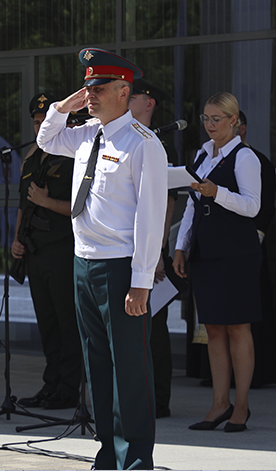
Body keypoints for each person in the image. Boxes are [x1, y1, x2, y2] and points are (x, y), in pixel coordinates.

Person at [38, 48, 167, 470]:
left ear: (123, 91)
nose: (89, 95)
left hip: (119, 266)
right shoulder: (88, 133)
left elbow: (150, 217)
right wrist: (62, 107)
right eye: (88, 87)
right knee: (97, 365)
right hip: (84, 262)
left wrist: (142, 280)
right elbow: (46, 139)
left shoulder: (143, 144)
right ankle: (108, 454)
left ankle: (136, 460)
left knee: (129, 367)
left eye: (98, 88)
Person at [173, 92, 261, 434]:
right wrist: (181, 246)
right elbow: (192, 204)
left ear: (234, 121)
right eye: (206, 119)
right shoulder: (201, 154)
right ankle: (219, 403)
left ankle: (241, 406)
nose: (210, 125)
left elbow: (252, 207)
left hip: (236, 254)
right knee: (213, 330)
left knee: (238, 328)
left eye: (217, 119)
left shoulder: (245, 156)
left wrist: (217, 193)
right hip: (206, 252)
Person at [11, 93, 82, 411]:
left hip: (62, 247)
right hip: (35, 249)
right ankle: (51, 383)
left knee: (67, 323)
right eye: (37, 122)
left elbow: (83, 208)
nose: (40, 127)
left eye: (45, 121)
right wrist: (16, 241)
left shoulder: (73, 155)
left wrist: (46, 202)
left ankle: (70, 388)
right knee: (47, 323)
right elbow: (23, 205)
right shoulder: (31, 158)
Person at [128, 78, 179, 419]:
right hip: (120, 248)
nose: (126, 100)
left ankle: (158, 399)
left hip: (149, 251)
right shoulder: (121, 139)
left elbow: (166, 206)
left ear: (149, 102)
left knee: (153, 329)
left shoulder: (157, 145)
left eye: (132, 95)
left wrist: (157, 251)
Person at [238, 111, 276, 387]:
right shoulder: (209, 157)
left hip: (250, 243)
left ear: (240, 127)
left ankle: (258, 374)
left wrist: (257, 236)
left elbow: (264, 205)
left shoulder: (257, 160)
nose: (211, 126)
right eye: (208, 119)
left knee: (251, 313)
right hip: (221, 247)